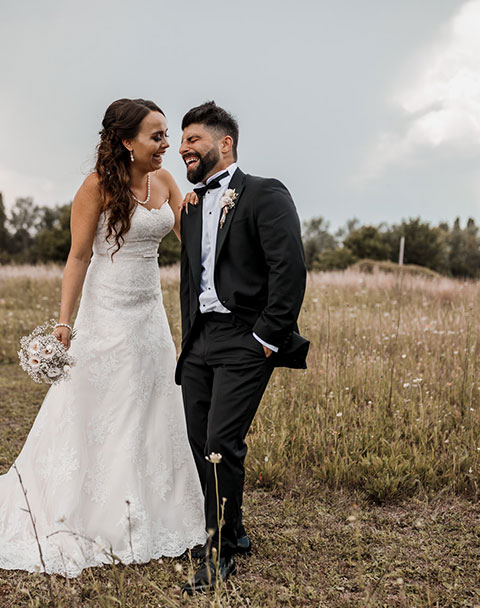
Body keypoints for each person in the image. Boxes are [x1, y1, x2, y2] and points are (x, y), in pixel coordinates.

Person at [0, 98, 207, 577]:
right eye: (156, 136)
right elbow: (78, 258)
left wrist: (204, 214)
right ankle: (85, 513)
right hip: (106, 316)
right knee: (100, 409)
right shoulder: (95, 188)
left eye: (167, 134)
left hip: (150, 317)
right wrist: (65, 325)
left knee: (150, 405)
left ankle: (152, 511)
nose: (166, 144)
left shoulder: (166, 182)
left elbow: (190, 242)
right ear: (127, 142)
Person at [176, 101, 309, 594]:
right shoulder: (191, 206)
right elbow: (191, 279)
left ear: (224, 143)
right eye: (182, 140)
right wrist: (188, 336)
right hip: (200, 340)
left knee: (220, 444)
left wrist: (266, 340)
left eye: (193, 139)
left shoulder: (264, 194)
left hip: (246, 339)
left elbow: (289, 269)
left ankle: (219, 550)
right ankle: (232, 530)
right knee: (196, 440)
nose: (183, 148)